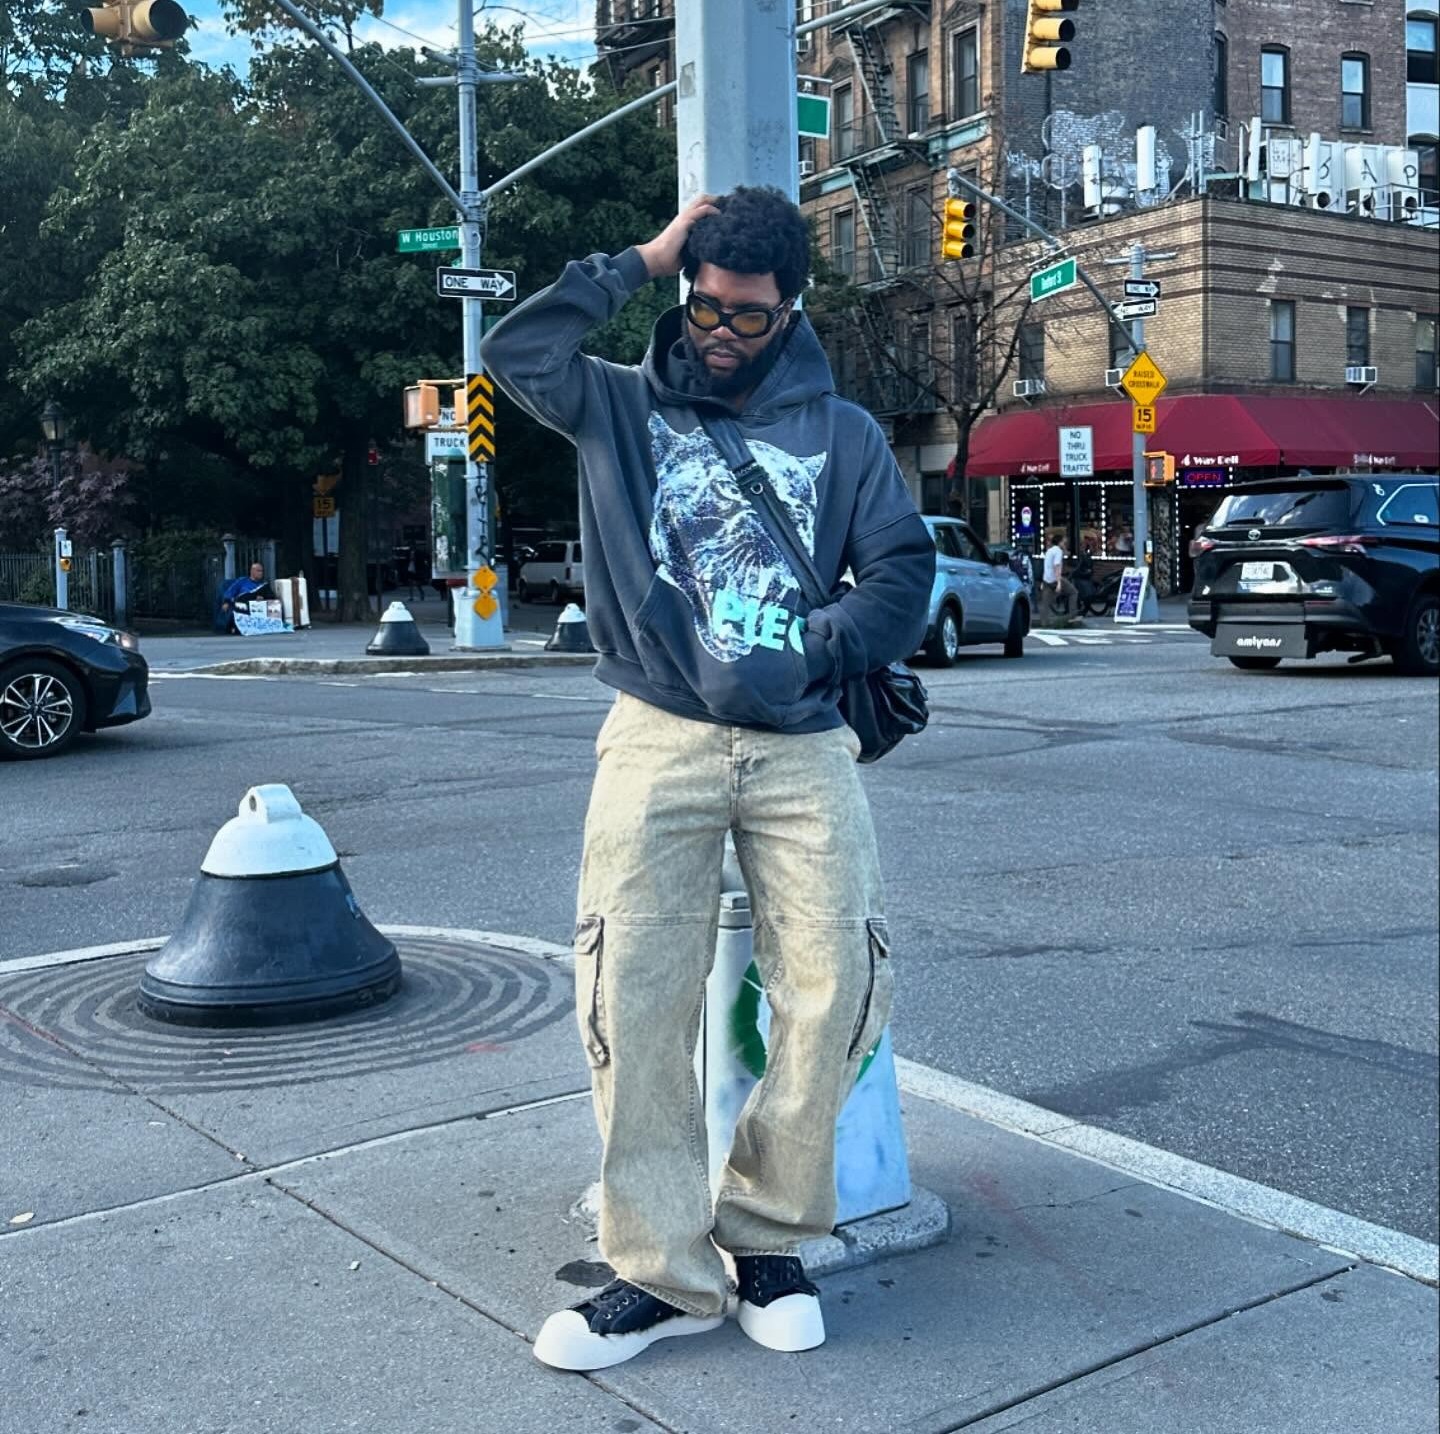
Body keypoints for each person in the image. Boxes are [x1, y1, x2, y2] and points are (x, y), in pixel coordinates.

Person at [482, 187, 934, 1372]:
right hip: (657, 729)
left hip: (802, 739)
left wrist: (820, 647)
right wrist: (639, 258)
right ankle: (659, 1271)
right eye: (707, 307)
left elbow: (901, 570)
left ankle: (770, 1235)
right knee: (631, 996)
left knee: (838, 985)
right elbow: (512, 353)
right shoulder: (617, 404)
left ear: (791, 313)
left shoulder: (843, 435)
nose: (723, 332)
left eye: (749, 315)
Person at [214, 561, 271, 634]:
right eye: (258, 571)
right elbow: (230, 591)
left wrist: (263, 598)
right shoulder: (242, 581)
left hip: (257, 608)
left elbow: (271, 597)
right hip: (242, 605)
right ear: (252, 571)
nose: (261, 573)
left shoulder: (264, 585)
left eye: (262, 571)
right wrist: (226, 602)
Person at [1040, 533, 1077, 621]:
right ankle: (1072, 615)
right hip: (1054, 579)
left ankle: (1044, 621)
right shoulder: (1058, 551)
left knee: (1046, 601)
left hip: (1047, 579)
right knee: (1073, 592)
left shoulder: (1049, 551)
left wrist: (1042, 581)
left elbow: (1046, 566)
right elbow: (1056, 566)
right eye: (1063, 542)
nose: (1064, 544)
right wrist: (1059, 582)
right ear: (1059, 542)